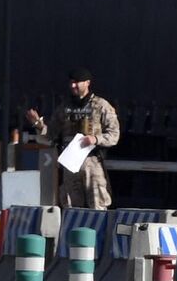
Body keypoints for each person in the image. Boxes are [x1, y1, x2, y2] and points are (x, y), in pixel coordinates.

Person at [25, 68, 120, 210]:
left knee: (97, 204)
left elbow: (114, 135)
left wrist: (96, 139)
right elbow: (50, 136)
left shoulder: (101, 106)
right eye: (71, 83)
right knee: (71, 205)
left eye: (77, 83)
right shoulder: (64, 108)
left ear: (87, 83)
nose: (73, 86)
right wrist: (38, 124)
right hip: (71, 164)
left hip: (92, 162)